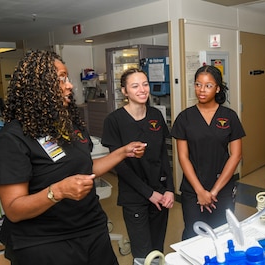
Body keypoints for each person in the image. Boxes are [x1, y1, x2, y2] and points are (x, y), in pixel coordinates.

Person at [0, 50, 147, 265]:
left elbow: (86, 169)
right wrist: (57, 191)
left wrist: (122, 152)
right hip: (45, 241)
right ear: (37, 86)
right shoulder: (13, 138)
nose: (69, 85)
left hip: (91, 228)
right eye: (61, 79)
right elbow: (13, 209)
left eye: (67, 78)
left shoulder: (70, 126)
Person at [101, 68, 174, 260]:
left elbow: (163, 156)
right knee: (142, 254)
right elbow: (120, 166)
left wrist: (170, 189)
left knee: (157, 251)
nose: (142, 89)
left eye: (145, 84)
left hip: (160, 193)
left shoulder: (155, 116)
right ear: (124, 91)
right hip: (135, 196)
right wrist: (149, 193)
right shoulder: (114, 121)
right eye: (135, 86)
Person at [171, 65, 246, 240]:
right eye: (198, 84)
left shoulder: (229, 116)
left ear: (218, 88)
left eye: (208, 85)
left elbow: (236, 155)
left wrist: (213, 192)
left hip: (223, 188)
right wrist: (200, 191)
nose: (201, 90)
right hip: (193, 189)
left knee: (222, 234)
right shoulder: (185, 118)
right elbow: (183, 157)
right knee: (193, 234)